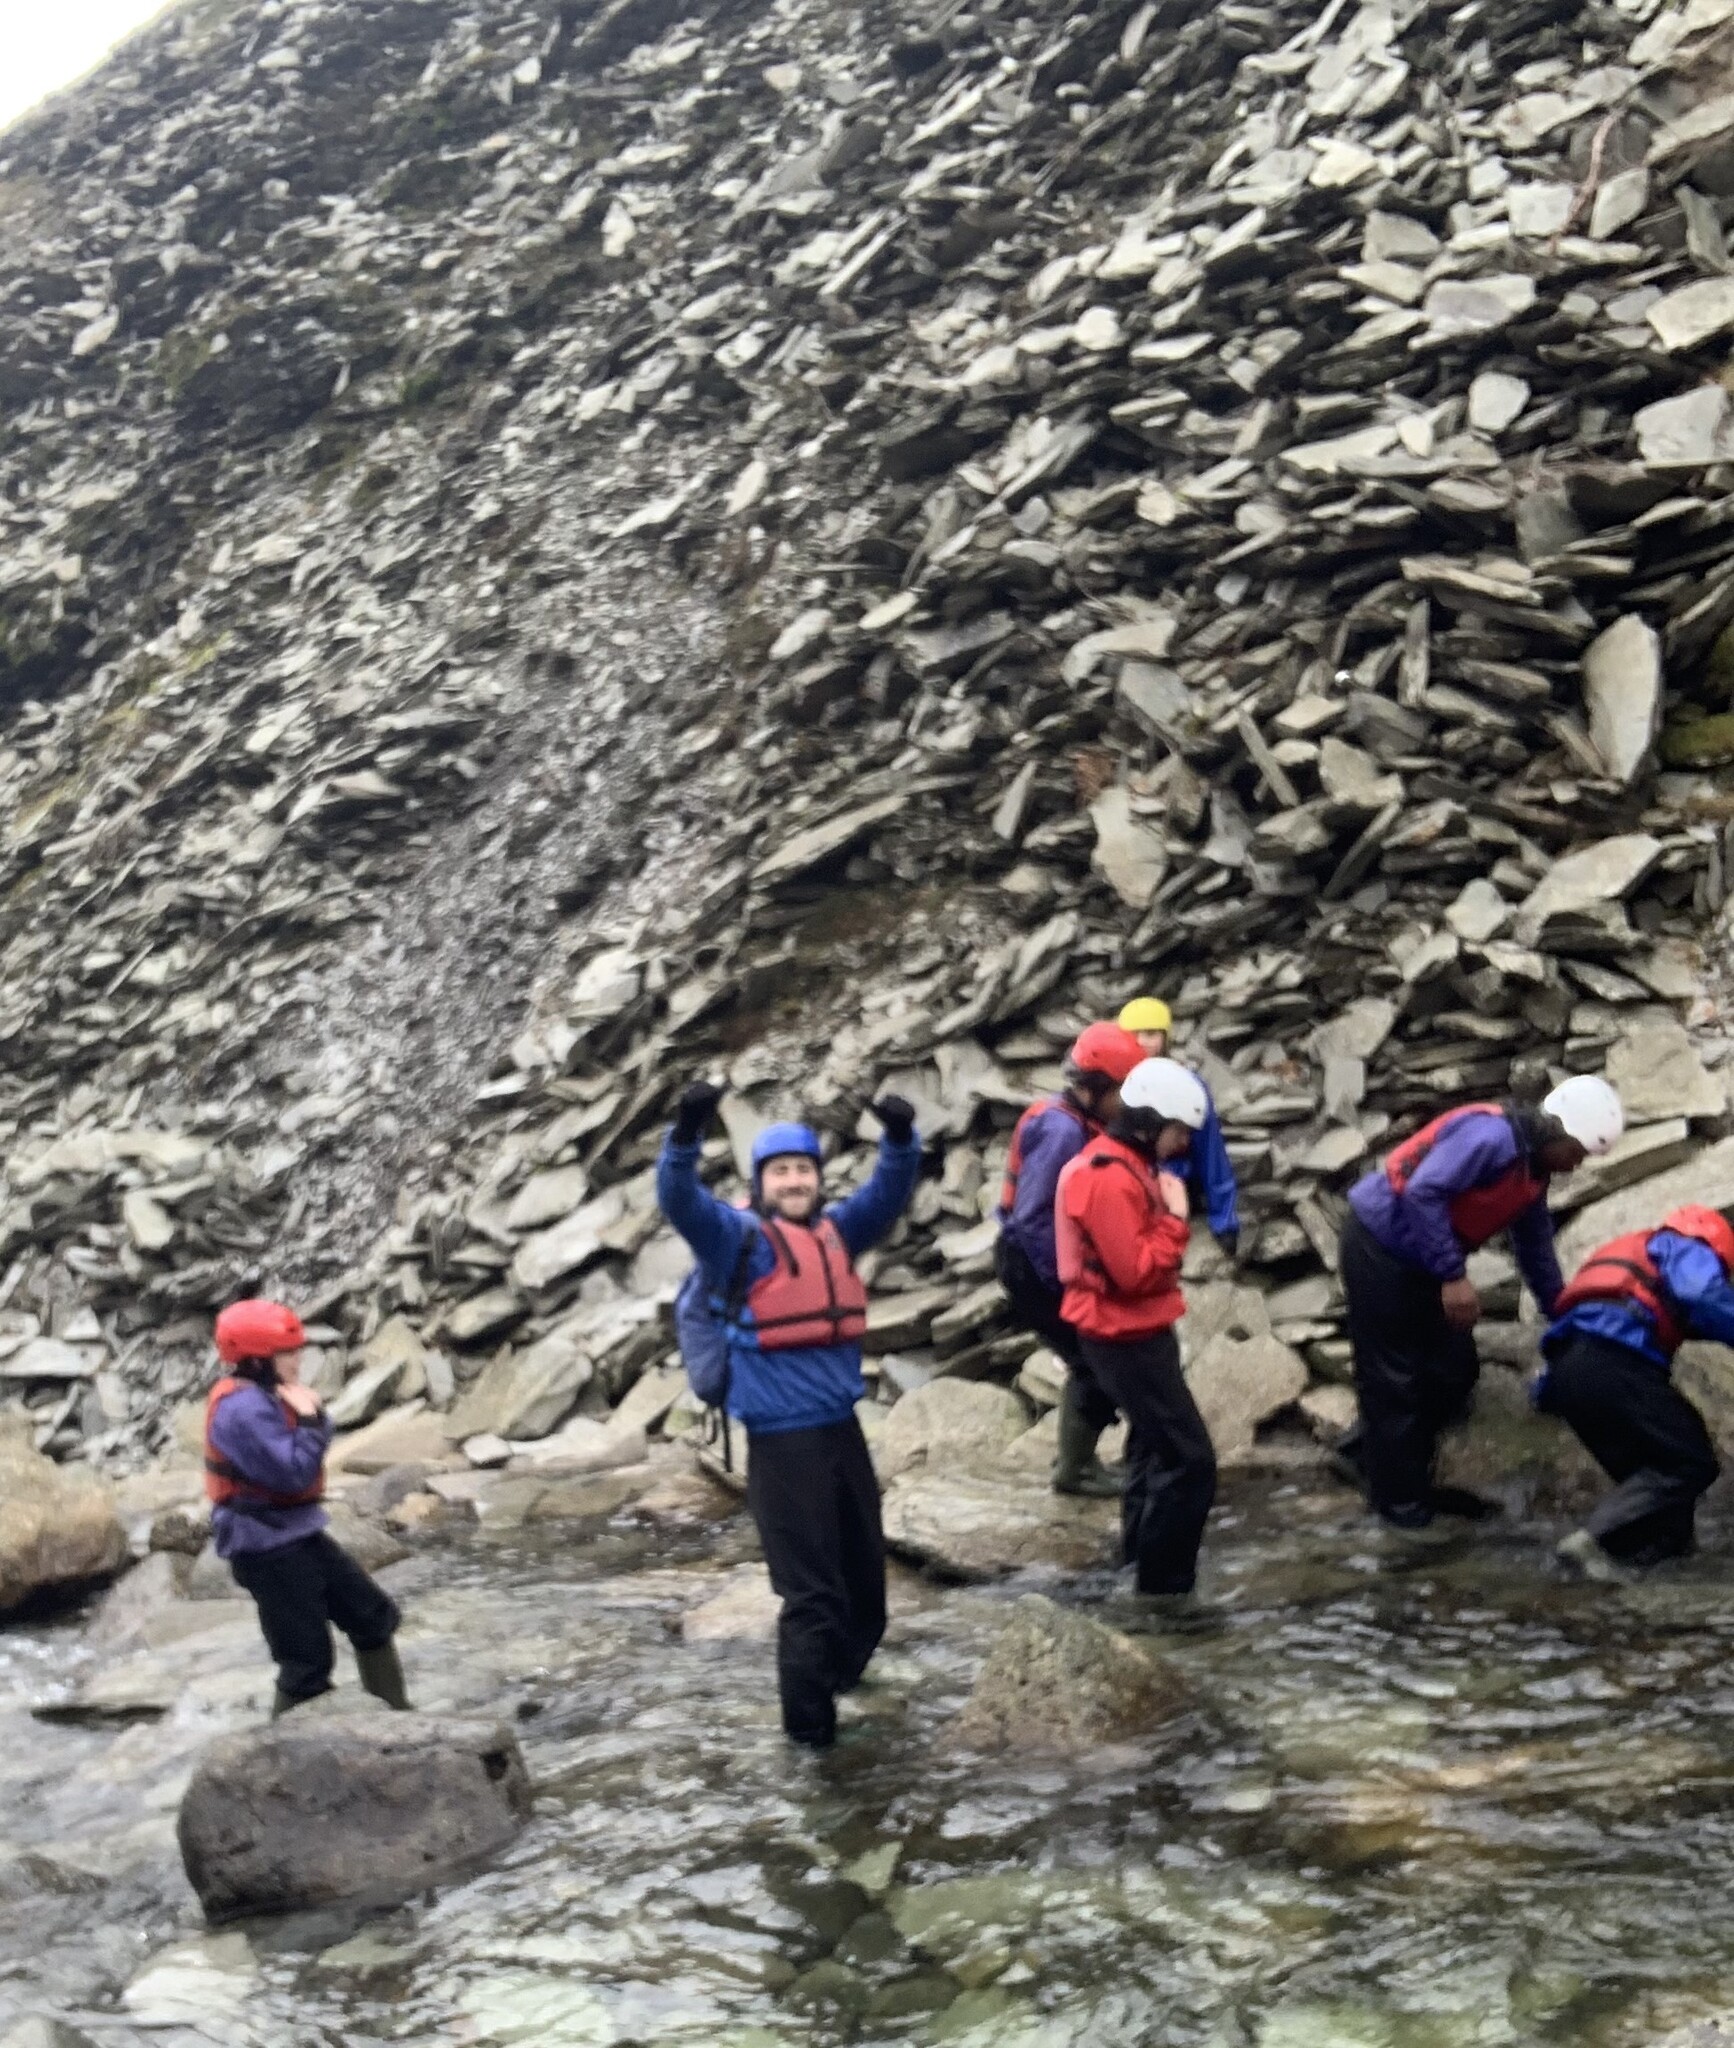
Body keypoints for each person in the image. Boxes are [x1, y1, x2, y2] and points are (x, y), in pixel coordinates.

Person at [657, 1083, 921, 1749]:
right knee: (813, 1600)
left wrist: (898, 1138)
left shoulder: (838, 1233)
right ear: (761, 1182)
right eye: (781, 1171)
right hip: (780, 1445)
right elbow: (680, 1201)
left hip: (841, 1433)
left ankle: (844, 1691)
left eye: (804, 1169)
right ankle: (811, 1751)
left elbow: (887, 1194)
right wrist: (686, 1133)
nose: (795, 1180)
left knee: (865, 1589)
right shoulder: (736, 1242)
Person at [1341, 1076, 1624, 1533]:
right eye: (1577, 1152)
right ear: (1559, 1132)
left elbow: (1535, 1251)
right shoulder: (1492, 1140)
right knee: (1393, 1381)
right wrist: (1453, 1276)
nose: (1577, 1164)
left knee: (1454, 1374)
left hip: (1422, 1259)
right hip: (1380, 1247)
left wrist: (1567, 1316)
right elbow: (1422, 1192)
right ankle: (1402, 1518)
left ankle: (1366, 1457)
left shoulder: (1533, 1172)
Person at [205, 1299, 410, 1718]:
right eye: (287, 1353)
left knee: (372, 1618)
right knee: (306, 1664)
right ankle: (282, 1748)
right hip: (264, 1546)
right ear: (257, 1360)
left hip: (294, 1531)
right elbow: (293, 1475)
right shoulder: (241, 1411)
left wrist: (312, 1417)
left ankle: (397, 1718)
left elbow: (306, 1448)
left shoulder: (268, 1394)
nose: (298, 1360)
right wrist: (312, 1421)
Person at [1056, 1057, 1215, 1597]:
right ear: (1150, 1123)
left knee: (1153, 1449)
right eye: (1179, 1131)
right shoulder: (1108, 1178)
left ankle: (1139, 1564)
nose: (1184, 1143)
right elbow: (1135, 1273)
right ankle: (1164, 1593)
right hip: (1122, 1337)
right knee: (1190, 1461)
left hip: (1133, 1333)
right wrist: (1176, 1220)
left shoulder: (1127, 1164)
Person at [1535, 1205, 1731, 1581]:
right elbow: (1703, 1295)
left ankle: (1658, 1559)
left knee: (1657, 1474)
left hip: (1568, 1374)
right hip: (1615, 1362)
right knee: (1688, 1461)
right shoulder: (1684, 1247)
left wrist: (1546, 1394)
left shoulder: (1637, 1256)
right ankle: (1591, 1542)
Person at [996, 1021, 1145, 1497]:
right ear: (1094, 1088)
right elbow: (1033, 1219)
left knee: (1092, 1358)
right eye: (1123, 1091)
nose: (1130, 1103)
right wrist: (1068, 1285)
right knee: (1091, 1359)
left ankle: (1075, 1461)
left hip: (1036, 1258)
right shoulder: (1061, 1130)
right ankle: (1074, 1470)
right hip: (1032, 1264)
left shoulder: (1077, 1119)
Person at [1118, 997, 1240, 1256]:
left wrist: (1224, 1221)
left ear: (1166, 1038)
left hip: (1176, 1185)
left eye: (1151, 1034)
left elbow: (1211, 1153)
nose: (1142, 1042)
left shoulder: (1187, 1085)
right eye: (1134, 1035)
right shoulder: (1114, 1087)